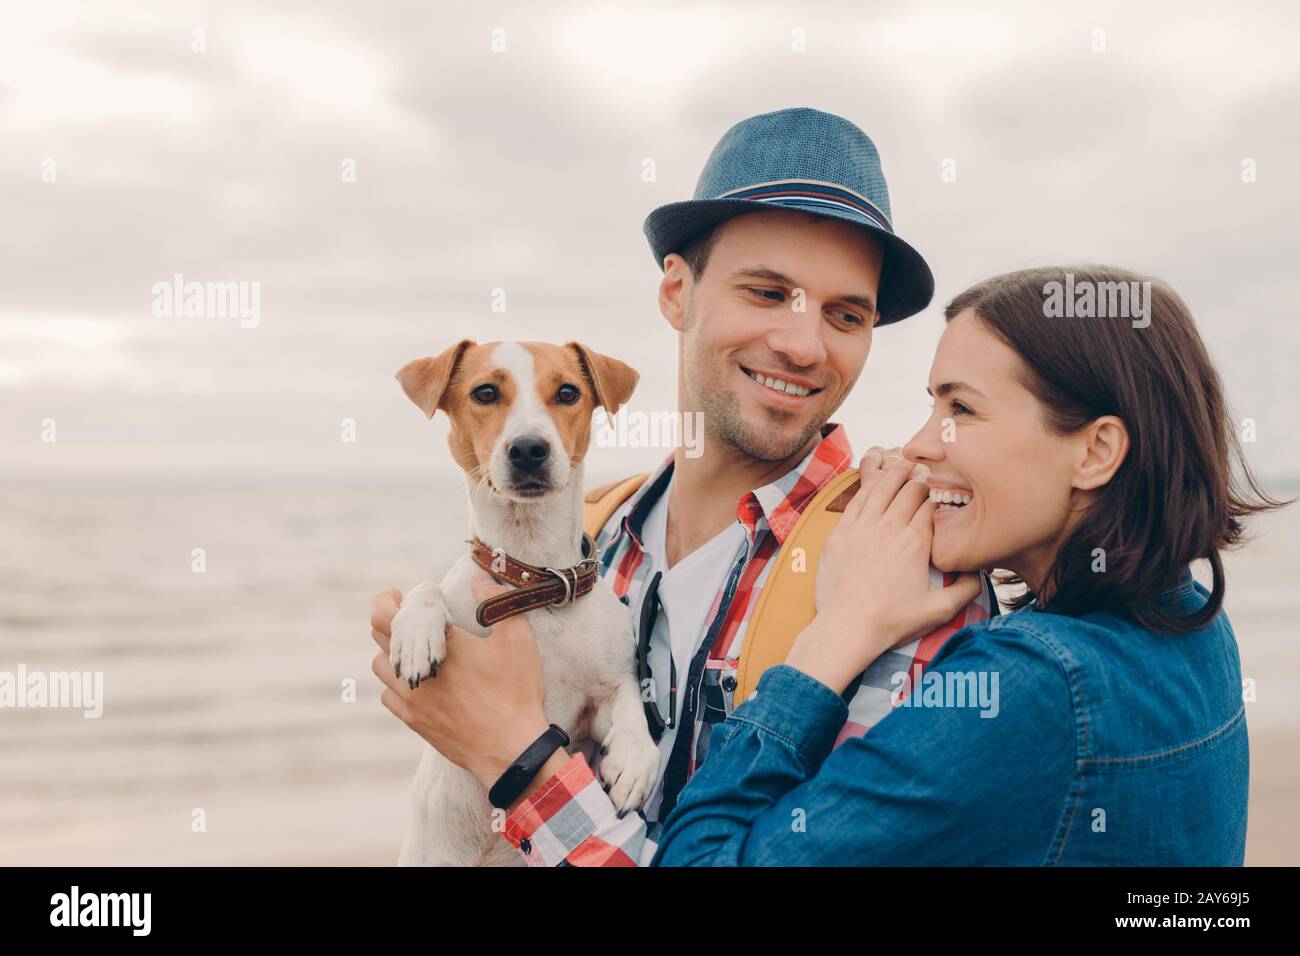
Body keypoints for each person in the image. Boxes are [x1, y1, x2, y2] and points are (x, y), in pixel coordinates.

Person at [369, 107, 992, 865]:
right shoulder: (590, 535)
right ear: (676, 293)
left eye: (845, 314)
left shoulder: (904, 568)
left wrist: (514, 757)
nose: (803, 345)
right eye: (767, 293)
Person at [652, 265, 1280, 865]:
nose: (920, 445)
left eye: (962, 410)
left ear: (1095, 453)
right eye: (933, 406)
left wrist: (835, 635)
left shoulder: (1029, 686)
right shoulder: (1190, 615)